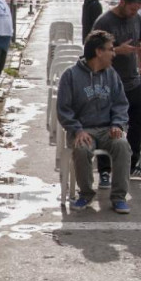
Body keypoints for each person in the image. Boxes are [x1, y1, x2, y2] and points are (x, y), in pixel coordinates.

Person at [57, 30, 132, 214]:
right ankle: (86, 194)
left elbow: (121, 103)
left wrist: (117, 124)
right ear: (99, 52)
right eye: (110, 50)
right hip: (83, 129)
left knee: (122, 145)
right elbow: (63, 109)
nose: (113, 54)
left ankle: (119, 197)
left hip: (107, 129)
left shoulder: (111, 74)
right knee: (82, 149)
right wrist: (77, 130)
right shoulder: (71, 75)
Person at [91, 0, 141, 185]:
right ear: (121, 2)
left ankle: (132, 164)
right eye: (131, 8)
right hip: (108, 83)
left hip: (133, 81)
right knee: (107, 126)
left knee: (138, 123)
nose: (134, 12)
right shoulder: (104, 21)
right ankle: (105, 170)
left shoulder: (137, 18)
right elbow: (93, 54)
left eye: (137, 8)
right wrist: (118, 50)